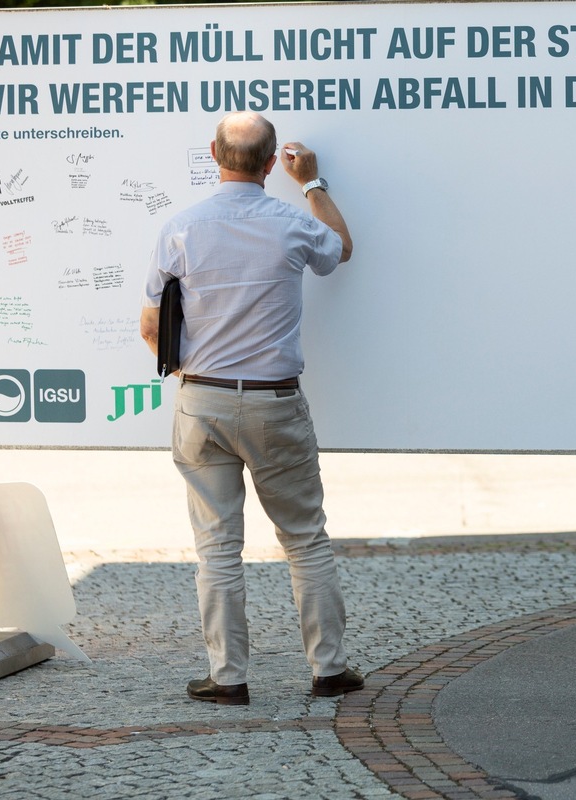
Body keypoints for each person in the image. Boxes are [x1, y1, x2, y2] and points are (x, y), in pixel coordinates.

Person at [140, 110, 363, 705]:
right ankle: (328, 670)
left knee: (216, 546)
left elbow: (150, 327)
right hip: (274, 404)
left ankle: (228, 677)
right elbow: (341, 249)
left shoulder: (179, 229)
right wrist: (312, 183)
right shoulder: (291, 224)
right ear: (270, 165)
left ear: (213, 152)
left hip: (202, 401)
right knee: (304, 539)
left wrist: (192, 371)